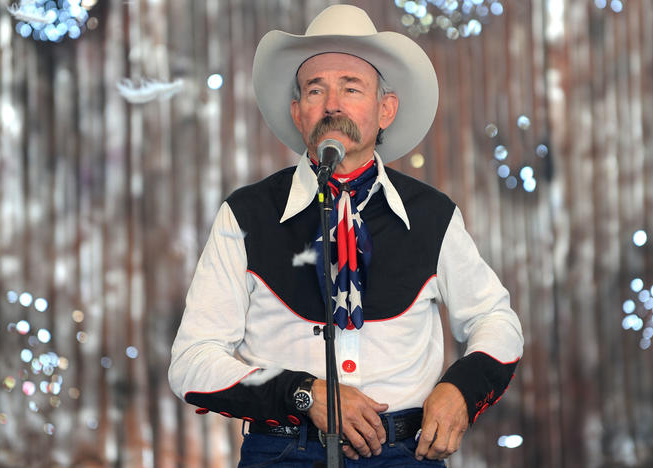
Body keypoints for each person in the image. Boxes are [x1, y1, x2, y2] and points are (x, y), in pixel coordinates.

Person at [168, 4, 523, 466]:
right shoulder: (247, 214)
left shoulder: (432, 215)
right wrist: (304, 394)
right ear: (298, 113)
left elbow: (497, 322)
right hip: (283, 450)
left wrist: (461, 389)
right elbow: (192, 361)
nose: (332, 104)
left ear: (385, 110)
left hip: (404, 451)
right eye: (316, 90)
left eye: (351, 88)